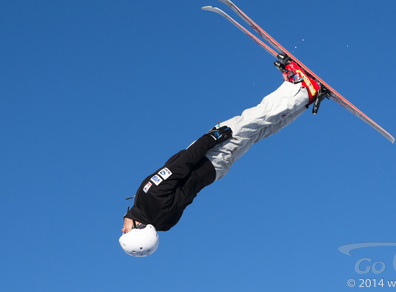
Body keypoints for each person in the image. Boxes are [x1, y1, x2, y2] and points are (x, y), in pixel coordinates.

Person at [119, 60, 320, 257]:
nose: (122, 229)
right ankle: (301, 88)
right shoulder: (149, 196)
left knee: (257, 132)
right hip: (209, 155)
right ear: (139, 227)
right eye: (126, 232)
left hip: (215, 171)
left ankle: (303, 101)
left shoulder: (163, 224)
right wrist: (211, 138)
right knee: (252, 119)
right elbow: (182, 165)